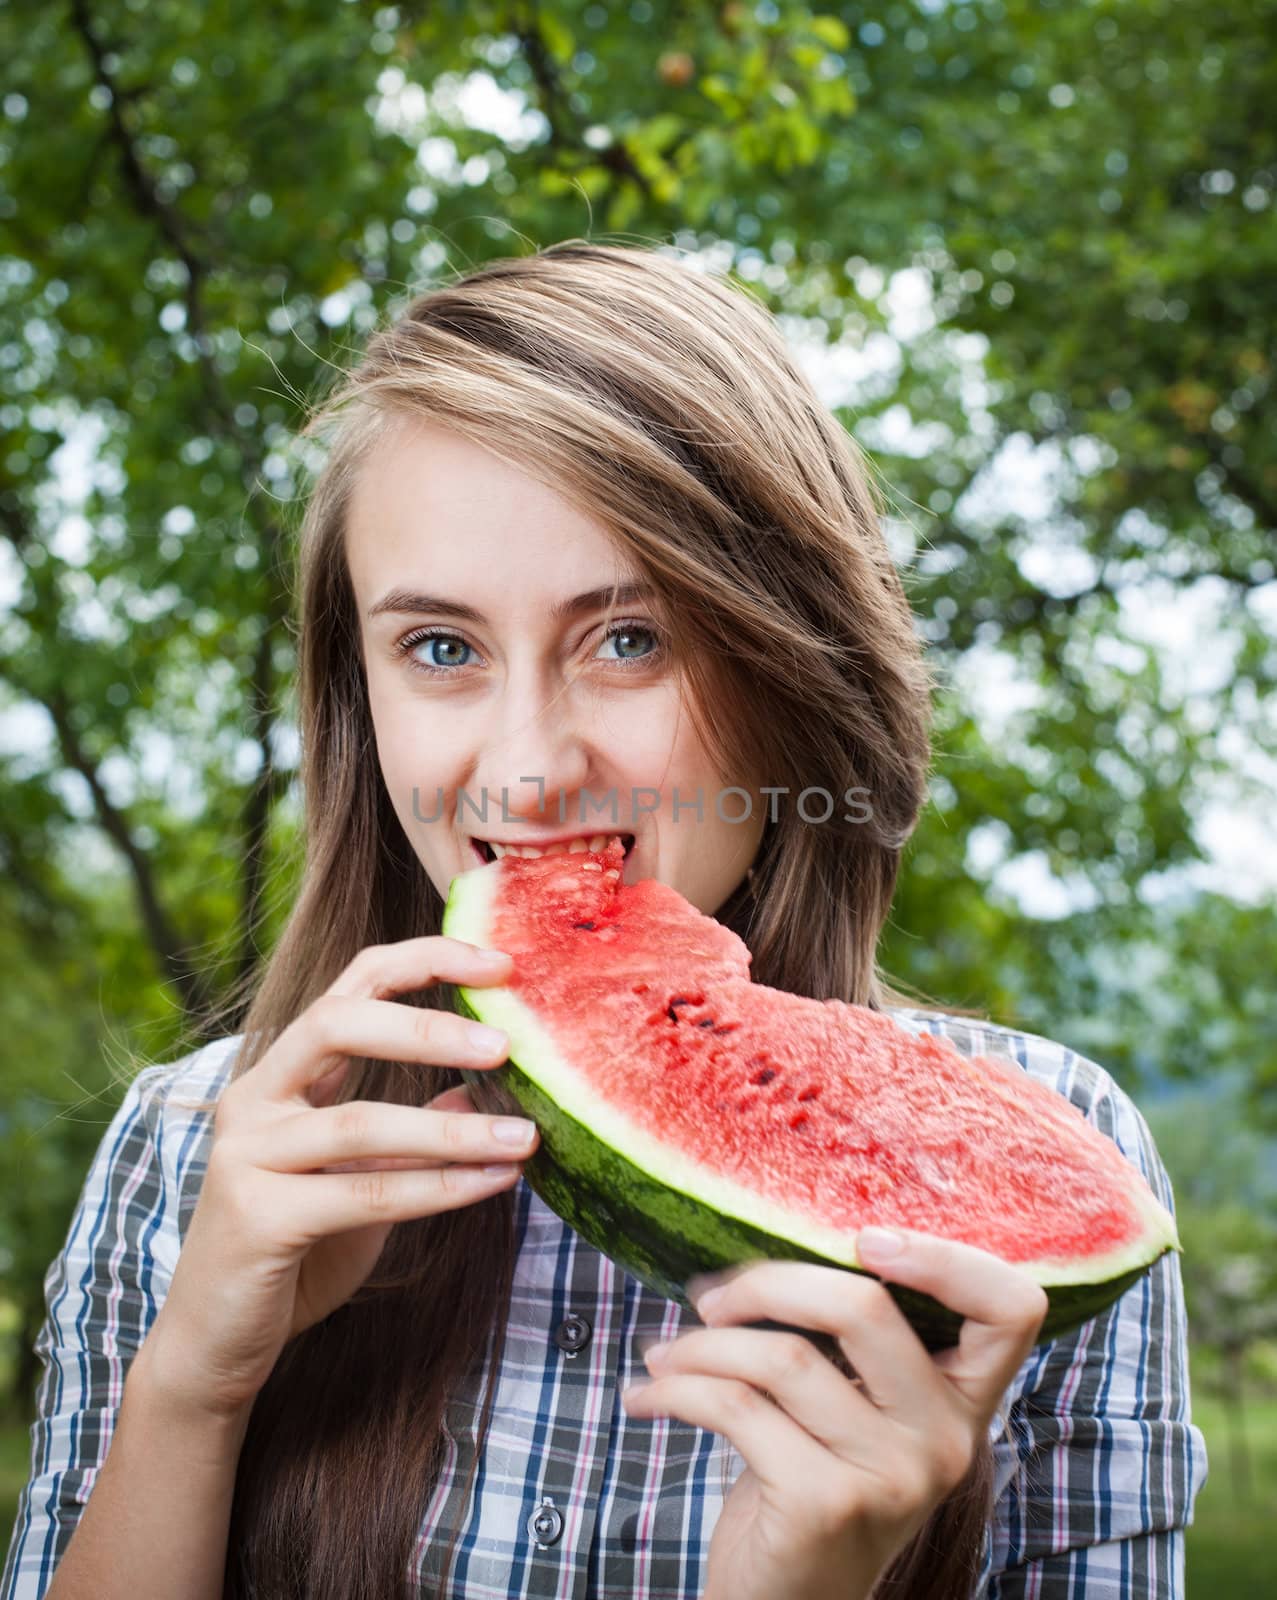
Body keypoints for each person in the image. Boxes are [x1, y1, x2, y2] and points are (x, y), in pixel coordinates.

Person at [1, 240, 1206, 1600]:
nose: (525, 770)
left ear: (789, 662)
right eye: (439, 648)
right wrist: (191, 1391)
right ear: (360, 698)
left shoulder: (1053, 1171)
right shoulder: (192, 1152)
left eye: (627, 637)